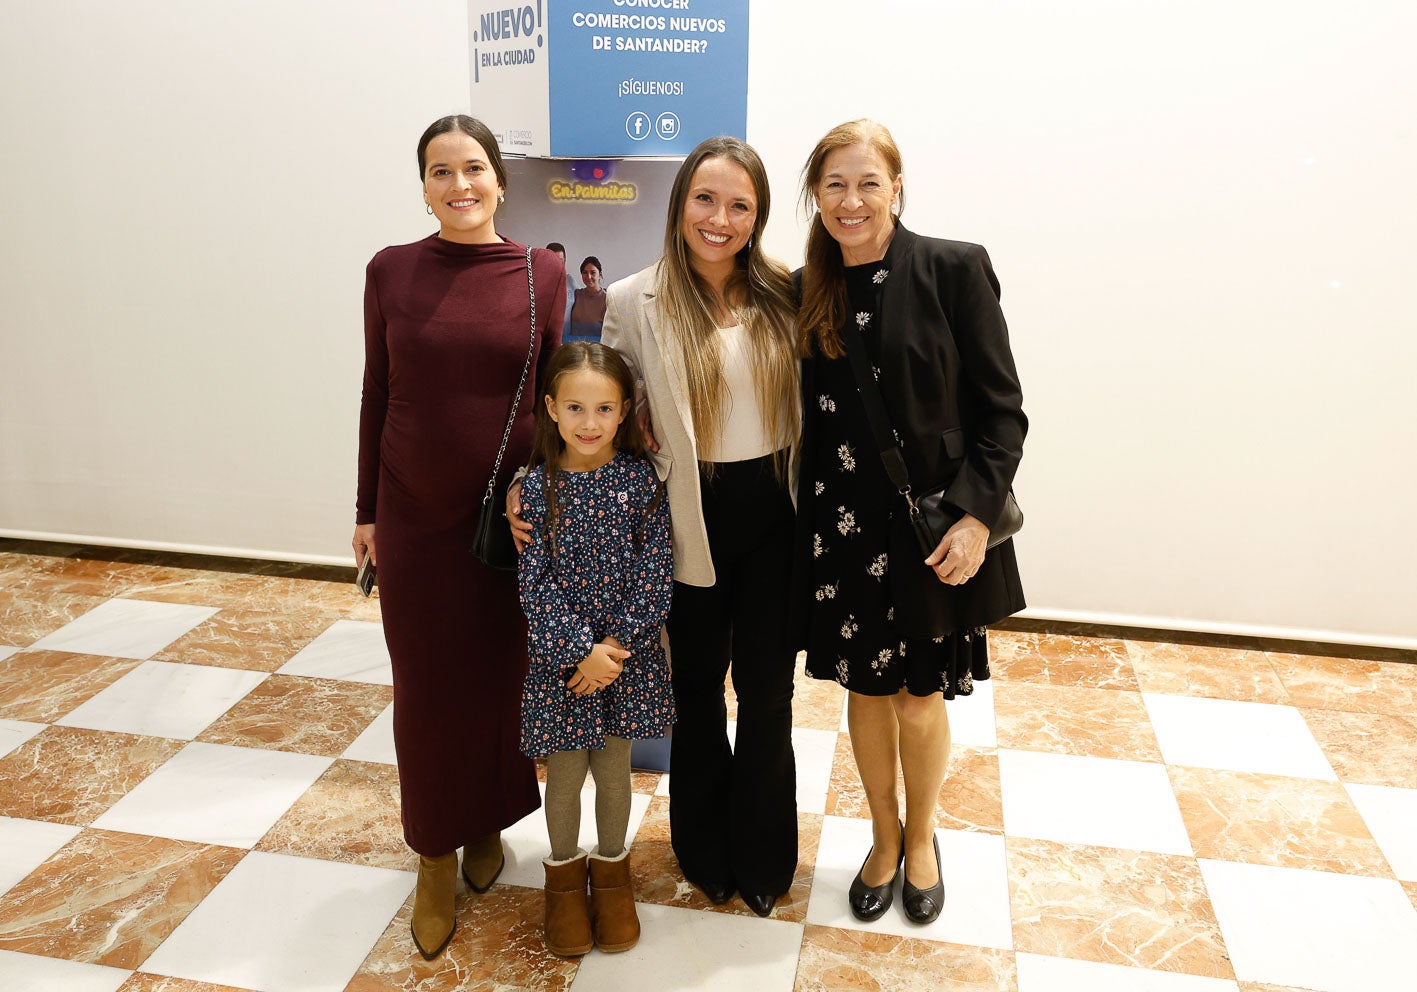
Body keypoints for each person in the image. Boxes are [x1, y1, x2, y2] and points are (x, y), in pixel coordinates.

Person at [512, 136, 802, 916]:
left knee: (769, 695)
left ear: (758, 216)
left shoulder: (786, 290)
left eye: (740, 205)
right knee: (699, 693)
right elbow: (590, 411)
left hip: (776, 513)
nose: (720, 218)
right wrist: (523, 483)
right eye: (705, 199)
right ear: (679, 205)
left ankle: (766, 857)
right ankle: (706, 851)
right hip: (688, 519)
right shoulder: (633, 299)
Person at [794, 120, 1026, 925]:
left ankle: (922, 839)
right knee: (863, 691)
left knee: (919, 698)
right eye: (833, 185)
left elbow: (1003, 413)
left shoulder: (951, 269)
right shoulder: (807, 288)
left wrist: (972, 519)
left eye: (867, 183)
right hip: (841, 527)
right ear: (814, 195)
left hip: (929, 532)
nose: (850, 201)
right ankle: (882, 836)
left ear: (897, 185)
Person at [353, 114, 565, 960]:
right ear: (424, 185)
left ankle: (485, 825)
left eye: (472, 168)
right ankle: (433, 852)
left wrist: (547, 500)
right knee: (427, 690)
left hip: (503, 521)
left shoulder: (538, 272)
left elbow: (558, 400)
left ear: (499, 180)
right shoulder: (390, 271)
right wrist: (364, 509)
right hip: (411, 517)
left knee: (495, 680)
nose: (459, 185)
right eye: (440, 172)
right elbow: (377, 390)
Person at [516, 341, 674, 957]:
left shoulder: (640, 482)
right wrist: (580, 650)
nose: (589, 423)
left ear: (624, 411)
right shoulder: (535, 488)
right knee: (563, 777)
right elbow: (535, 583)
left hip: (624, 663)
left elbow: (655, 571)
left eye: (604, 409)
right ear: (551, 408)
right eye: (575, 407)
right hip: (563, 666)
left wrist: (612, 649)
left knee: (613, 772)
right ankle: (561, 880)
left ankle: (612, 878)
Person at [566, 256, 608, 342]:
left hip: (597, 348)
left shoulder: (607, 299)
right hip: (574, 347)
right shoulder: (576, 294)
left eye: (593, 273)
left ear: (600, 274)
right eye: (585, 272)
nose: (588, 277)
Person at [547, 241, 577, 328]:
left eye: (560, 261)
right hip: (547, 338)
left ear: (565, 261)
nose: (557, 265)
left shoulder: (570, 281)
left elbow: (585, 296)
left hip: (567, 338)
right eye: (553, 261)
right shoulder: (538, 283)